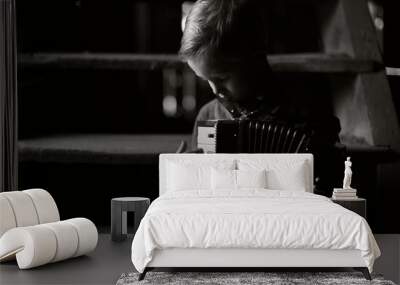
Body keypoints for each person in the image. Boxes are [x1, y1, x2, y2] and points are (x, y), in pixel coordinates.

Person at [179, 0, 341, 194]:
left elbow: (332, 179)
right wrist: (187, 173)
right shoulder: (208, 116)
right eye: (206, 80)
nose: (215, 89)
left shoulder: (307, 111)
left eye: (222, 78)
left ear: (254, 58)